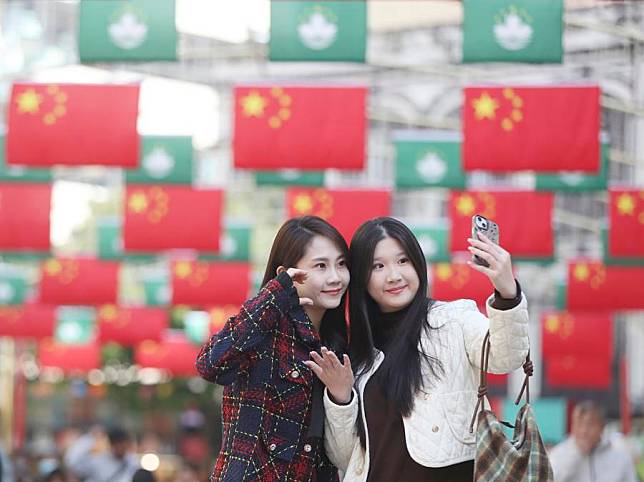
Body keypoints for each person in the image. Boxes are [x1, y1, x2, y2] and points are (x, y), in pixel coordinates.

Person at [304, 217, 530, 481]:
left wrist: (507, 292)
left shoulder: (453, 319)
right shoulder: (357, 354)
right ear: (362, 278)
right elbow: (345, 458)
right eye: (378, 266)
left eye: (403, 261)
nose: (394, 276)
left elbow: (506, 357)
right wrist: (341, 398)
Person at [196, 216, 350, 481]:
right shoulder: (263, 330)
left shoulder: (339, 344)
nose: (335, 277)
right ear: (286, 274)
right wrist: (276, 293)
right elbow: (210, 364)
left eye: (341, 264)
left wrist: (342, 396)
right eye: (321, 266)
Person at [549, 400, 637, 482]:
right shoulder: (559, 453)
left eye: (589, 424)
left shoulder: (620, 455)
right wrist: (576, 454)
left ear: (601, 427)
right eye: (578, 424)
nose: (583, 430)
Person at [64, 427, 139, 482]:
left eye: (122, 443)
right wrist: (90, 437)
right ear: (110, 443)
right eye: (116, 443)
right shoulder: (98, 461)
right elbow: (71, 462)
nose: (119, 447)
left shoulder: (133, 462)